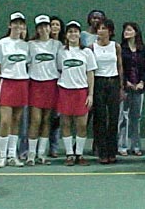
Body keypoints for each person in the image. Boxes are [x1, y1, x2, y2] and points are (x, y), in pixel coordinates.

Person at [0, 11, 30, 168]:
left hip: (22, 83)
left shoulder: (26, 46)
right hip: (6, 84)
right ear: (10, 25)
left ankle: (12, 156)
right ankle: (2, 156)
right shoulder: (2, 44)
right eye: (15, 23)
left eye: (21, 23)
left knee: (16, 121)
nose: (18, 26)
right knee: (5, 121)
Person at [57, 20, 97, 166]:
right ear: (66, 35)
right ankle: (69, 154)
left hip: (81, 92)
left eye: (75, 31)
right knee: (66, 124)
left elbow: (90, 73)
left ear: (80, 34)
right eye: (70, 32)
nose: (73, 34)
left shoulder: (87, 52)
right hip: (64, 91)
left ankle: (79, 154)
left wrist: (90, 94)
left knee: (81, 125)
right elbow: (59, 70)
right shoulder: (61, 52)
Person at [26, 15, 63, 166]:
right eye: (40, 26)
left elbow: (60, 66)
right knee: (35, 120)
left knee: (47, 120)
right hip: (35, 85)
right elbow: (26, 63)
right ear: (37, 29)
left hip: (51, 85)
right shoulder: (30, 45)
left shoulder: (57, 45)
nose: (44, 29)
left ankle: (41, 154)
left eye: (46, 26)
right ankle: (30, 155)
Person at [91, 19, 124, 164]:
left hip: (113, 82)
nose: (101, 31)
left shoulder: (115, 46)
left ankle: (112, 151)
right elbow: (90, 69)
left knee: (113, 118)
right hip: (98, 82)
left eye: (104, 28)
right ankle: (102, 152)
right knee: (100, 118)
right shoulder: (92, 47)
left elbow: (120, 66)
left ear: (110, 31)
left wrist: (121, 87)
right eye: (99, 28)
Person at [117, 22, 145, 157]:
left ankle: (136, 146)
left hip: (139, 89)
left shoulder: (143, 50)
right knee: (123, 117)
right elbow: (119, 67)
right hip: (125, 88)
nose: (127, 32)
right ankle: (122, 146)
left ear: (136, 32)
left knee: (135, 118)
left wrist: (142, 82)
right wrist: (126, 82)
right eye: (125, 30)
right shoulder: (121, 49)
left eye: (129, 30)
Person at [47, 15, 66, 158]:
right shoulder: (36, 44)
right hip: (42, 85)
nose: (54, 27)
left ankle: (53, 147)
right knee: (39, 118)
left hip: (59, 86)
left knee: (56, 118)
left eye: (57, 25)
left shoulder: (64, 46)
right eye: (52, 24)